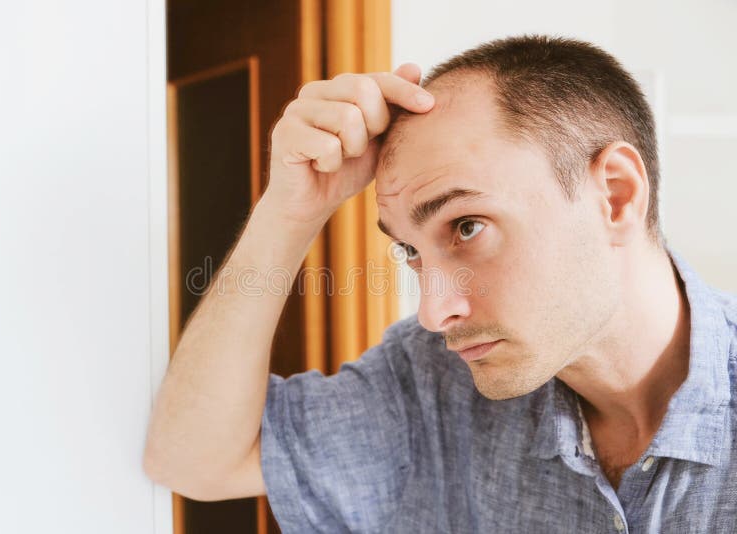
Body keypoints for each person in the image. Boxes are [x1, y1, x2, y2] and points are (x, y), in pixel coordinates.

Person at [143, 35, 737, 532]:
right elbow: (195, 461)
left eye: (467, 226)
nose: (433, 312)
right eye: (410, 250)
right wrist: (289, 211)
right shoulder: (434, 381)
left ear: (615, 195)